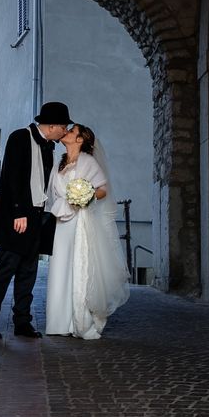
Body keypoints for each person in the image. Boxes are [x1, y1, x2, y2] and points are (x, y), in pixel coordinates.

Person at [0, 102, 73, 339]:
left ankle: (22, 321)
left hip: (38, 215)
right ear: (52, 125)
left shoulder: (49, 147)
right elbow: (12, 175)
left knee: (28, 271)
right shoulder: (20, 137)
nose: (65, 131)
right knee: (7, 268)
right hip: (17, 214)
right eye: (64, 126)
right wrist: (19, 212)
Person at [45, 124, 130, 339]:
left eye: (72, 132)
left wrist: (85, 196)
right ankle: (59, 322)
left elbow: (103, 189)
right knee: (61, 267)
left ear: (80, 140)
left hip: (79, 219)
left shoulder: (88, 162)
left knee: (78, 266)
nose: (67, 133)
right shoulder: (59, 163)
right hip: (61, 221)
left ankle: (80, 320)